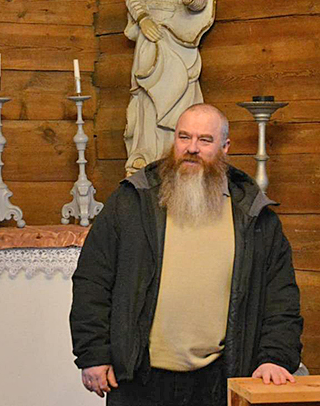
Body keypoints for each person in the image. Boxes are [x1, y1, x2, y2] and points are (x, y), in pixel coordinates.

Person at [71, 104, 302, 405]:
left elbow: (280, 297)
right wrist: (93, 354)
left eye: (205, 140)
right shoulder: (132, 200)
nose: (192, 148)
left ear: (225, 147)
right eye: (184, 137)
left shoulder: (253, 214)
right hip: (138, 379)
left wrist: (275, 357)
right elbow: (92, 280)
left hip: (218, 381)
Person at [123, 0, 217, 176]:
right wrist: (142, 18)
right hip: (149, 31)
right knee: (145, 96)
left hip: (177, 33)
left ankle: (173, 156)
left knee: (178, 96)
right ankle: (144, 155)